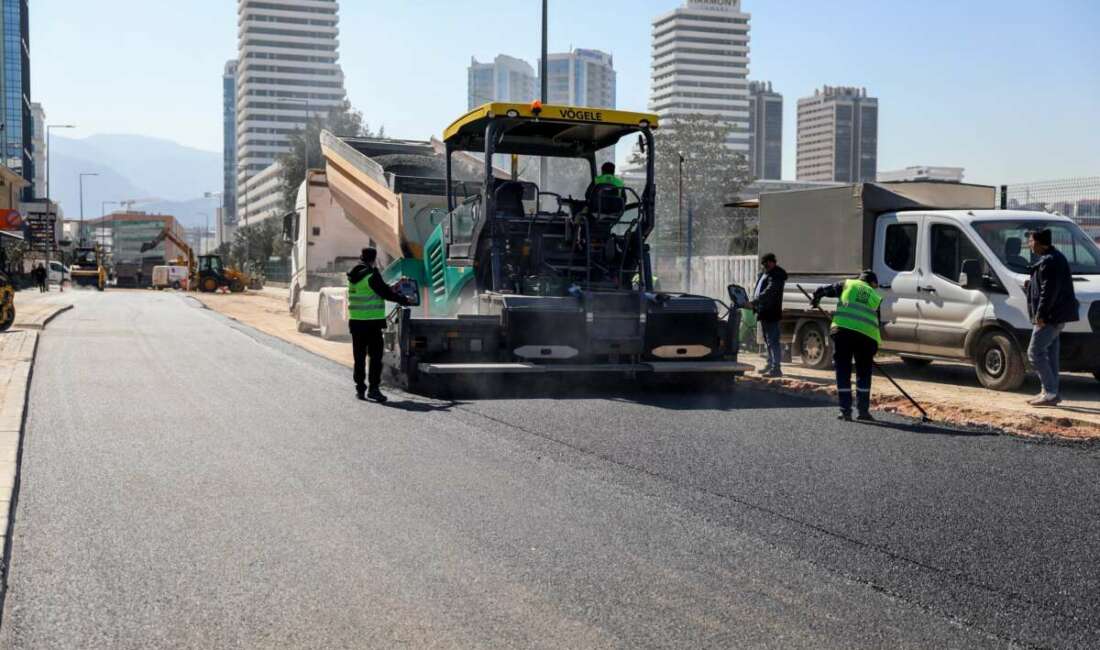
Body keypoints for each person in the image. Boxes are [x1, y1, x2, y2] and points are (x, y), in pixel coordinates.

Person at [812, 270, 883, 422]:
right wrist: (874, 348)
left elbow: (821, 290)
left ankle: (845, 411)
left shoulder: (847, 284)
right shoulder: (875, 297)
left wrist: (816, 300)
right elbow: (877, 324)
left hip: (843, 333)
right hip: (867, 338)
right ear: (872, 283)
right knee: (863, 374)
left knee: (843, 371)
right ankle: (863, 412)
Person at [347, 247, 411, 403]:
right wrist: (403, 299)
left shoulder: (353, 275)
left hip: (356, 323)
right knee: (375, 357)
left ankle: (360, 389)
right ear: (373, 259)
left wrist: (393, 287)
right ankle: (374, 390)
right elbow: (385, 293)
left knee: (359, 357)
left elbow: (379, 289)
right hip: (372, 324)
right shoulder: (371, 275)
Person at [1025, 228, 1079, 407]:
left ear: (1039, 243)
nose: (1029, 245)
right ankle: (1050, 392)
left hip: (1049, 317)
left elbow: (1048, 292)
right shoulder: (1052, 259)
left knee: (1034, 352)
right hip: (1054, 315)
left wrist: (1041, 314)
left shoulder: (1050, 261)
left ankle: (1049, 392)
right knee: (1050, 353)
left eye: (1031, 241)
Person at [747, 253, 786, 377]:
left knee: (773, 341)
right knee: (768, 341)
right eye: (763, 265)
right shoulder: (766, 273)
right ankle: (770, 364)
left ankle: (776, 368)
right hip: (764, 312)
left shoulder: (777, 275)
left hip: (771, 312)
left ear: (772, 262)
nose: (764, 267)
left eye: (766, 264)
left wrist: (755, 302)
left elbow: (770, 290)